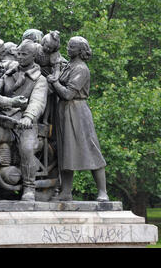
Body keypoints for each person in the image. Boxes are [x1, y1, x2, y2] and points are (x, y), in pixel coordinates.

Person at [47, 36, 109, 202]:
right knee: (66, 152)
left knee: (91, 149)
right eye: (68, 45)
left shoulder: (81, 68)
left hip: (77, 111)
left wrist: (54, 82)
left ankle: (102, 192)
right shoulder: (69, 65)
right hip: (64, 112)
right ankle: (66, 191)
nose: (68, 48)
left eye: (72, 46)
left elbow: (68, 94)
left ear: (81, 50)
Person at [0, 39, 48, 201]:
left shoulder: (40, 79)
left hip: (23, 122)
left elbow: (37, 101)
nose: (20, 57)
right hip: (2, 116)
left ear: (33, 57)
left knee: (27, 148)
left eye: (24, 54)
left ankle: (29, 186)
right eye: (19, 53)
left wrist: (29, 117)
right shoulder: (10, 72)